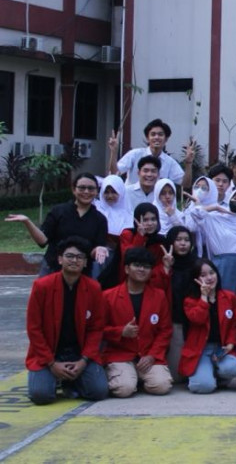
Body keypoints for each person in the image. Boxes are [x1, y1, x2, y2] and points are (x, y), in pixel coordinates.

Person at [25, 237, 109, 405]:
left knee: (99, 391)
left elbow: (96, 328)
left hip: (79, 354)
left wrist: (83, 361)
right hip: (50, 354)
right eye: (69, 256)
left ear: (85, 262)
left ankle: (71, 379)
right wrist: (51, 363)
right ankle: (55, 377)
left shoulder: (93, 288)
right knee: (41, 396)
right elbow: (34, 328)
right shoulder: (42, 286)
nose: (74, 260)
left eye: (79, 257)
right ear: (60, 259)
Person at [5, 173, 109, 277]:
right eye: (82, 188)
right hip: (52, 268)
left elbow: (96, 249)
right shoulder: (59, 211)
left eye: (91, 188)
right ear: (74, 189)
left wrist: (99, 249)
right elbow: (43, 241)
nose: (86, 192)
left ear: (96, 191)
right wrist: (27, 221)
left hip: (82, 272)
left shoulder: (100, 219)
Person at [101, 248, 173, 398]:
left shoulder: (159, 296)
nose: (142, 269)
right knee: (123, 389)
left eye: (146, 267)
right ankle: (129, 378)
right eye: (137, 265)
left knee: (161, 386)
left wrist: (152, 356)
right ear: (127, 268)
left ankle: (137, 377)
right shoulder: (108, 296)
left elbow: (165, 330)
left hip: (148, 353)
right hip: (121, 354)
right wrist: (121, 332)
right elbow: (99, 329)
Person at [180, 258, 236, 393]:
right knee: (203, 387)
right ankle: (205, 374)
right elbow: (198, 319)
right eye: (203, 275)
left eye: (212, 273)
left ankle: (213, 375)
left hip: (221, 349)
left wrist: (231, 343)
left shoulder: (229, 296)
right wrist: (204, 297)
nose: (209, 278)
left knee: (234, 367)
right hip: (201, 350)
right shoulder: (190, 300)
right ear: (196, 279)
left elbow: (234, 324)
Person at [186, 186, 236, 293]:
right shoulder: (215, 218)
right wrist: (214, 208)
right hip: (221, 265)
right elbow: (195, 213)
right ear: (230, 198)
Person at [153, 226, 197, 382]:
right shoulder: (162, 266)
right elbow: (156, 293)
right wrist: (166, 268)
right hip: (173, 323)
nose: (183, 244)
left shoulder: (197, 265)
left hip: (194, 323)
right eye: (178, 240)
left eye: (186, 240)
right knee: (176, 376)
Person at [109, 118, 192, 188]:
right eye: (153, 134)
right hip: (132, 201)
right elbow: (114, 173)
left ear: (166, 139)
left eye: (160, 134)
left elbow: (185, 184)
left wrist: (188, 163)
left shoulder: (169, 162)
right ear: (147, 138)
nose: (156, 137)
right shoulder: (135, 154)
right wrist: (113, 152)